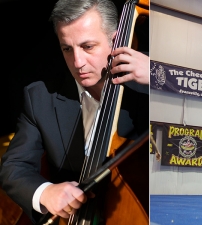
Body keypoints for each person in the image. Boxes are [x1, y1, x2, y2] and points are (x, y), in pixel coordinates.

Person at [0, 0, 149, 224]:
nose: (78, 62)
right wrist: (45, 192)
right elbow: (13, 166)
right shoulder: (41, 97)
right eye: (67, 49)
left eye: (88, 46)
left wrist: (161, 77)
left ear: (116, 39)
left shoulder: (153, 77)